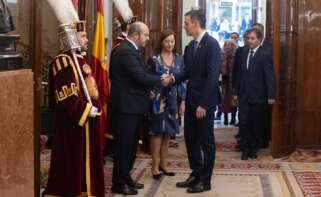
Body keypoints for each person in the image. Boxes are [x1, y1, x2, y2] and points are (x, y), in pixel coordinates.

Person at [109, 21, 171, 195]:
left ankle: (126, 178)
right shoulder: (125, 52)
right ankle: (118, 184)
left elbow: (136, 79)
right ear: (136, 35)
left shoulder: (131, 50)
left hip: (133, 106)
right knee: (124, 148)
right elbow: (140, 77)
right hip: (125, 109)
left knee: (131, 147)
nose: (147, 38)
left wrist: (147, 92)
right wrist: (160, 80)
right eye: (145, 34)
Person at [44, 20, 105, 197]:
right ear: (71, 37)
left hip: (87, 122)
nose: (87, 39)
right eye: (83, 36)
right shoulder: (63, 62)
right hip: (71, 125)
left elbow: (91, 89)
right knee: (70, 164)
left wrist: (94, 106)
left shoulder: (81, 60)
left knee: (87, 162)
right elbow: (67, 95)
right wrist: (85, 110)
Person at [171, 10, 221, 193]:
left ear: (196, 23)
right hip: (192, 101)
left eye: (186, 23)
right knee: (190, 138)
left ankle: (205, 180)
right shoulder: (190, 46)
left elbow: (212, 76)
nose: (184, 26)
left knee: (206, 141)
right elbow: (187, 72)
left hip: (204, 103)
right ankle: (196, 172)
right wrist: (171, 79)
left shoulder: (212, 44)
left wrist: (204, 104)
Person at [147, 29, 186, 180]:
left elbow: (182, 81)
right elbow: (147, 78)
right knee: (157, 132)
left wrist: (183, 101)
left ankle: (164, 164)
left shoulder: (179, 59)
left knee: (168, 132)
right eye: (167, 41)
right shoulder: (154, 59)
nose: (170, 44)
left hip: (173, 100)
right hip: (158, 100)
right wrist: (149, 93)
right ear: (161, 42)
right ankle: (154, 166)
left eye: (172, 41)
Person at [236, 28, 276, 160]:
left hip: (259, 95)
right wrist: (236, 91)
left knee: (256, 124)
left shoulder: (265, 53)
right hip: (244, 95)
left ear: (259, 40)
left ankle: (253, 150)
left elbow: (269, 75)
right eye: (248, 38)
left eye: (252, 39)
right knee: (244, 123)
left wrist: (271, 96)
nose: (249, 41)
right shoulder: (243, 51)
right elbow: (239, 74)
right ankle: (245, 149)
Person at [219, 40, 238, 125]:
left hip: (233, 82)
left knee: (234, 101)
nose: (227, 47)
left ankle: (233, 118)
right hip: (224, 82)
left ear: (233, 46)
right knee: (224, 101)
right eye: (225, 45)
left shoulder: (236, 56)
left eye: (229, 45)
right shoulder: (222, 57)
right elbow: (219, 69)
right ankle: (226, 119)